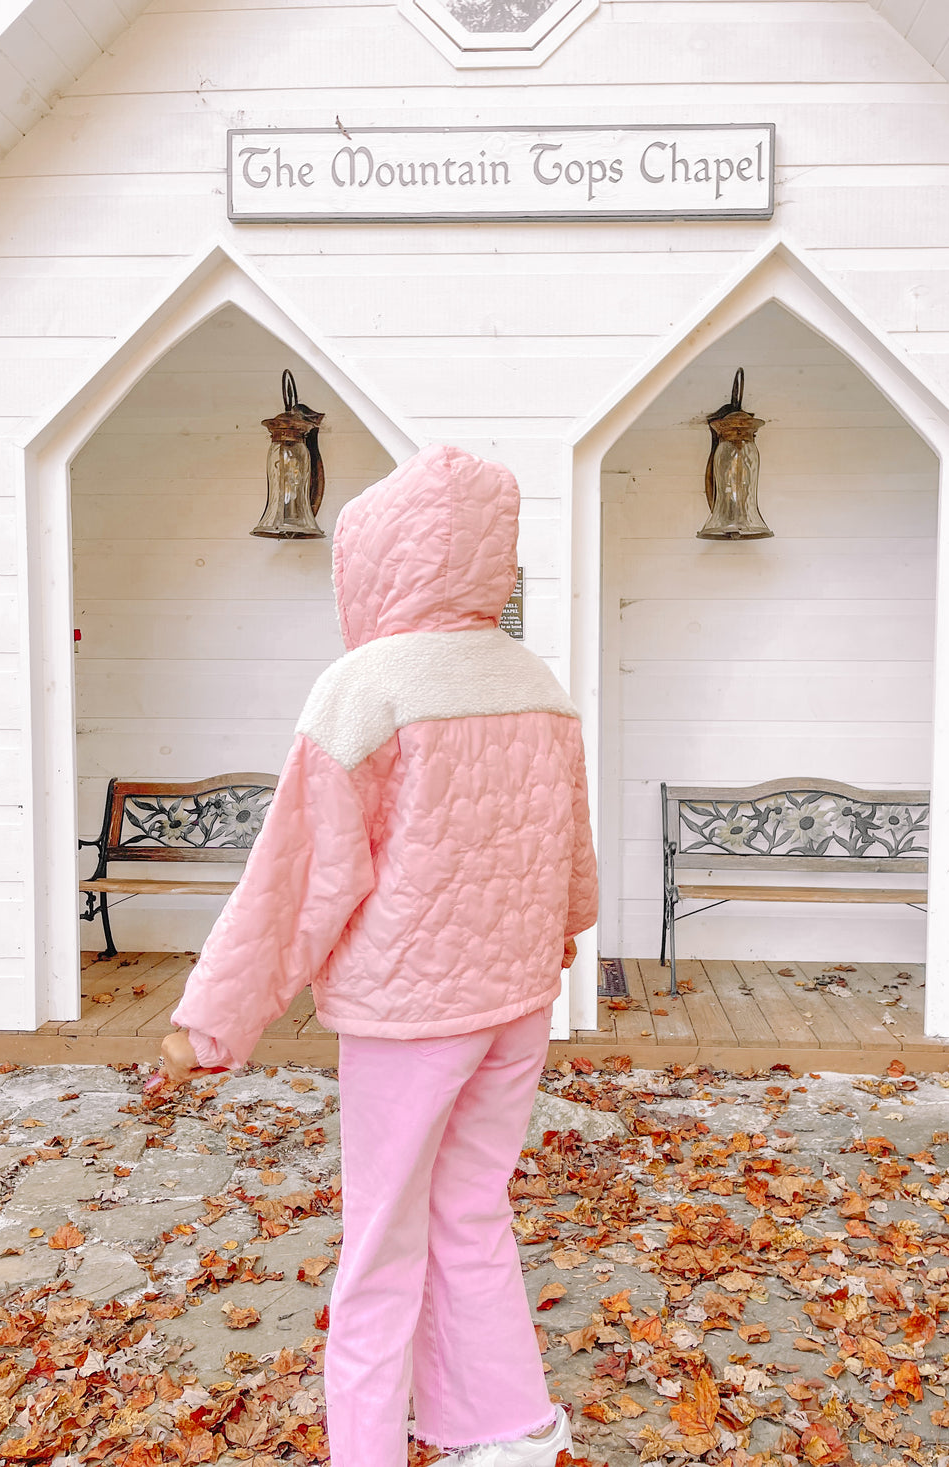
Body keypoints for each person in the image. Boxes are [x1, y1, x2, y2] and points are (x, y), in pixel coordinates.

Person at [157, 443, 598, 1467]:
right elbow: (565, 849)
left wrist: (211, 1021)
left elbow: (295, 879)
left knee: (381, 1239)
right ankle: (501, 1428)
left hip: (412, 1012)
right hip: (515, 1001)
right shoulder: (537, 681)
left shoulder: (367, 687)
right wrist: (562, 935)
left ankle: (364, 1447)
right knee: (471, 1209)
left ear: (377, 558)